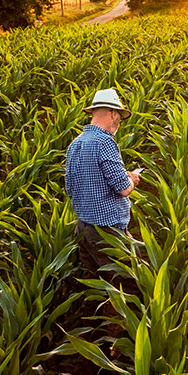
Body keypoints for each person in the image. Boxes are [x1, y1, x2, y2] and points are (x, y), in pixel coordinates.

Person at [65, 88, 142, 278]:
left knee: (96, 284)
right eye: (119, 117)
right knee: (132, 280)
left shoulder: (75, 144)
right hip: (107, 232)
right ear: (112, 113)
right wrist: (132, 179)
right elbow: (123, 189)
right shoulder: (104, 142)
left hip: (83, 229)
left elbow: (70, 189)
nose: (119, 122)